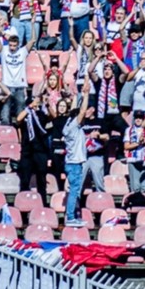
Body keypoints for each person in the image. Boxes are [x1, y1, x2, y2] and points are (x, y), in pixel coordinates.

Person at [62, 81, 92, 228]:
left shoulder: (68, 123)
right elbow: (82, 111)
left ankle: (73, 216)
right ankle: (71, 217)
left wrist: (76, 96)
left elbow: (75, 110)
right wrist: (86, 95)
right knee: (74, 191)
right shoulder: (74, 125)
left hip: (71, 162)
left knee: (74, 190)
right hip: (74, 164)